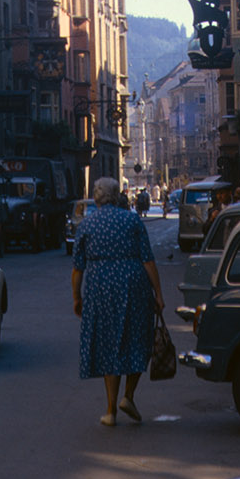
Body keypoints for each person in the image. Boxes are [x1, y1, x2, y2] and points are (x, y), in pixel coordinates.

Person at [71, 176, 165, 427]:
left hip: (100, 287)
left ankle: (110, 411)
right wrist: (158, 293)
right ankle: (129, 397)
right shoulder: (132, 220)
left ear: (97, 197)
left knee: (107, 345)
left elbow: (77, 269)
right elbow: (147, 260)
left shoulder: (87, 224)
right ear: (117, 196)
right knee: (136, 339)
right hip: (133, 285)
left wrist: (77, 298)